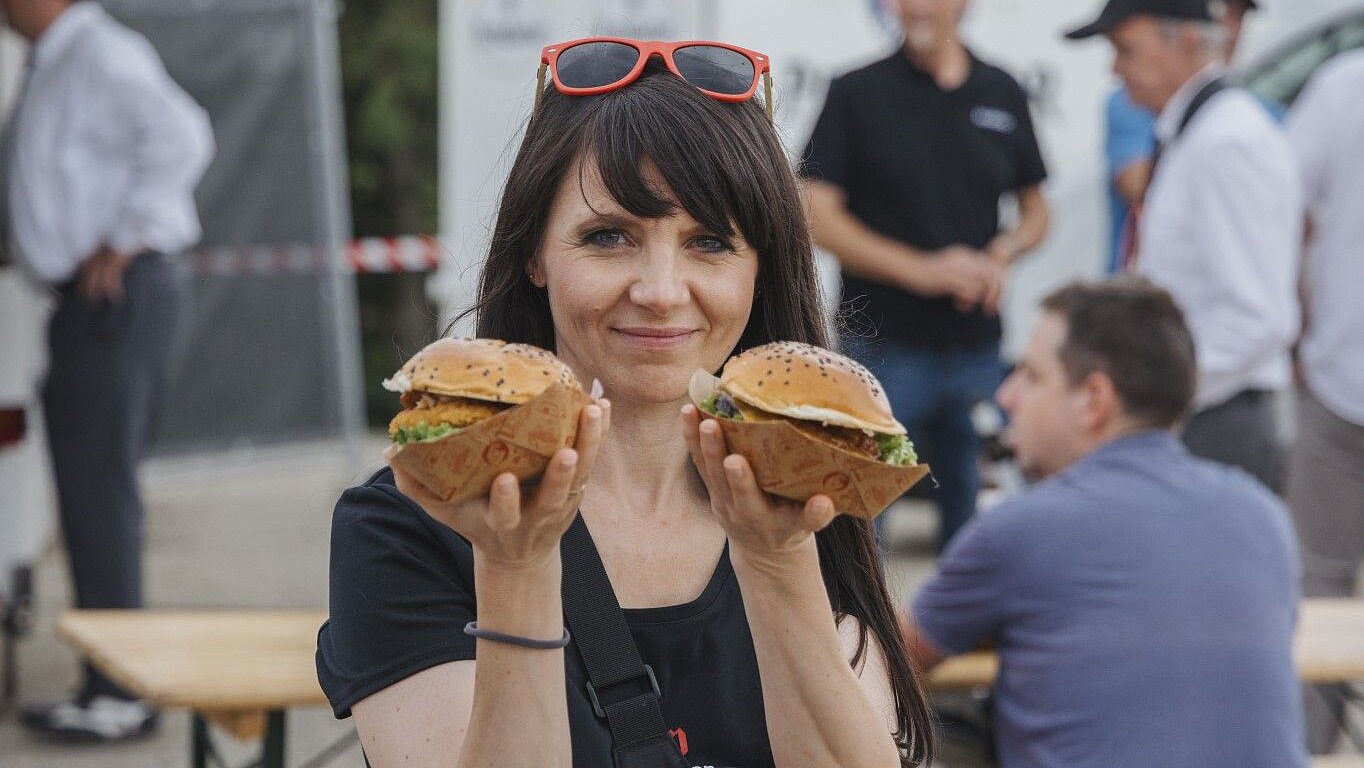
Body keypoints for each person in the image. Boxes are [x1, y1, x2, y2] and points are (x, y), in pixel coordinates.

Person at [316, 40, 935, 768]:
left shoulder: (805, 484)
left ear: (763, 270)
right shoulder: (414, 516)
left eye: (710, 242)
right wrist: (514, 568)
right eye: (608, 237)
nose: (662, 290)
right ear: (533, 254)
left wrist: (778, 563)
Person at [905, 277, 1307, 768]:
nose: (1007, 396)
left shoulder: (1020, 530)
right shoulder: (1263, 516)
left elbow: (886, 656)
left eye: (1031, 376)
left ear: (1094, 399)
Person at [1, 0, 214, 742]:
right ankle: (108, 681)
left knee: (100, 499)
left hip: (112, 296)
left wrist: (124, 237)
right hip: (90, 302)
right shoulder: (68, 56)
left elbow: (184, 136)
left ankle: (118, 693)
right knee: (93, 498)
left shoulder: (99, 53)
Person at [804, 0, 1050, 549]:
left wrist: (1003, 252)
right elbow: (813, 211)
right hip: (880, 352)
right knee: (858, 534)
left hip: (978, 352)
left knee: (988, 531)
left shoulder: (1002, 90)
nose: (913, 7)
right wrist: (921, 272)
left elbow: (1037, 209)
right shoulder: (855, 92)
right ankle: (863, 635)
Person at [1066, 0, 1301, 491]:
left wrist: (1154, 400)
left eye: (1126, 50)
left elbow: (1256, 317)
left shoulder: (1227, 143)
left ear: (1188, 41)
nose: (1115, 68)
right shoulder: (1199, 133)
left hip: (1215, 422)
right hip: (1200, 415)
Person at [1285, 48, 1364, 755]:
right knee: (1318, 579)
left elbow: (1287, 208)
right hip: (1339, 381)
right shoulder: (1343, 84)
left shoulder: (1344, 83)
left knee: (1320, 580)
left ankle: (1313, 744)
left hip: (1340, 375)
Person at [1102, 0, 1258, 273]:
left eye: (1237, 16)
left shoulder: (1229, 137)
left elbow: (1246, 302)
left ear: (1188, 39)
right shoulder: (1146, 108)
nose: (1229, 28)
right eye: (1219, 11)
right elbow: (1136, 184)